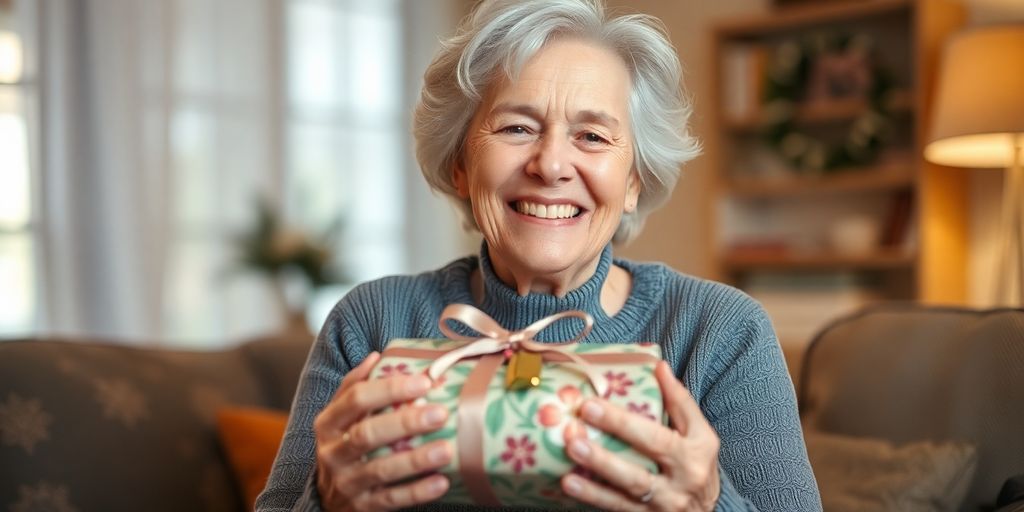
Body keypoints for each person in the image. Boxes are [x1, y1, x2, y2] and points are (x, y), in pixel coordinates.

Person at [257, 0, 823, 510]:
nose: (551, 165)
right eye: (517, 127)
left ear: (633, 180)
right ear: (460, 163)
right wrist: (325, 501)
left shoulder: (720, 331)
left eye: (593, 137)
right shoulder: (373, 324)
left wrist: (708, 505)